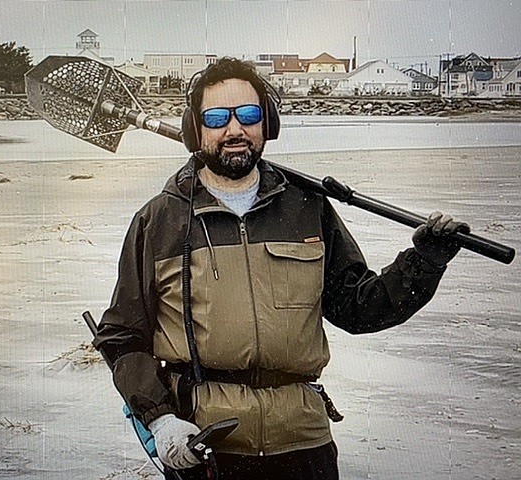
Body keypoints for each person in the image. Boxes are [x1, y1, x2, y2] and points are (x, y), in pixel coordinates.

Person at [93, 57, 469, 480]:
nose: (234, 129)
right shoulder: (159, 221)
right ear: (194, 129)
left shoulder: (308, 209)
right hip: (206, 445)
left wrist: (425, 261)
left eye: (248, 114)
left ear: (266, 123)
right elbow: (123, 337)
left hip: (304, 443)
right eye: (216, 117)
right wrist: (160, 420)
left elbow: (361, 309)